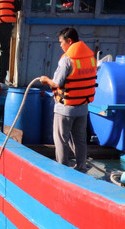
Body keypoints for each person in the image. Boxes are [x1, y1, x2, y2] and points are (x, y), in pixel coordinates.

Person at [39, 28, 97, 172]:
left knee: (61, 140)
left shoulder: (67, 59)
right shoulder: (90, 57)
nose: (60, 45)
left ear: (69, 41)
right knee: (80, 140)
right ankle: (81, 167)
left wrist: (46, 79)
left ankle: (62, 169)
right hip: (83, 107)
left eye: (61, 42)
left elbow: (57, 83)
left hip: (66, 107)